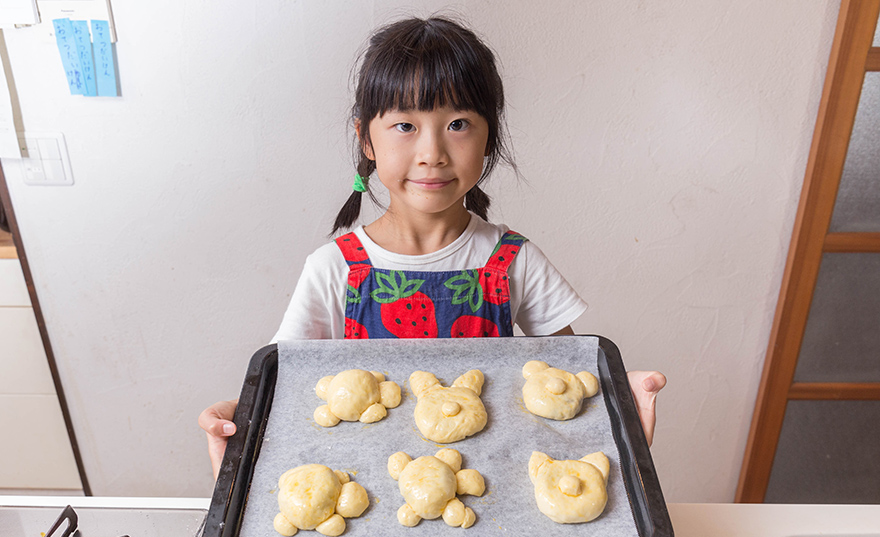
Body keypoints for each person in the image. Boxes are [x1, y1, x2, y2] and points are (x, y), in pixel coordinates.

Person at [199, 16, 665, 479]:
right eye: (405, 125)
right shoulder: (335, 268)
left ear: (489, 138)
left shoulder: (514, 260)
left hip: (492, 493)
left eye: (458, 123)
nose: (432, 152)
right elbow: (288, 389)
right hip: (367, 496)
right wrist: (236, 414)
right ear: (367, 139)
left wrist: (622, 411)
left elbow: (566, 383)